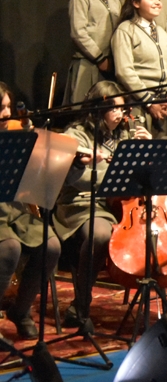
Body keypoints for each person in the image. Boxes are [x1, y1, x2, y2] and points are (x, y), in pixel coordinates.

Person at [56, 81, 167, 320]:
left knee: (161, 231)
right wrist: (122, 172)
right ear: (96, 109)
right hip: (85, 203)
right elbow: (79, 180)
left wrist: (148, 149)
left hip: (123, 202)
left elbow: (147, 174)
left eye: (123, 109)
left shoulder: (126, 131)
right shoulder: (76, 135)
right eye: (114, 109)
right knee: (100, 234)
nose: (121, 115)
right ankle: (81, 303)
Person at [0, 82, 61, 339]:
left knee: (51, 245)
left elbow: (37, 182)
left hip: (12, 206)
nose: (6, 114)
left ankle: (20, 310)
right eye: (0, 108)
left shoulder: (16, 136)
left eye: (7, 107)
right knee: (9, 247)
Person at [111, 0, 167, 137]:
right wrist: (149, 101)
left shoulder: (161, 32)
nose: (157, 3)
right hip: (139, 103)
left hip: (163, 105)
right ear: (136, 2)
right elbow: (124, 71)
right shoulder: (126, 30)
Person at [64, 0, 121, 105]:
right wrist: (99, 58)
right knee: (85, 109)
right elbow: (78, 32)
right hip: (88, 64)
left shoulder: (114, 0)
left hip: (111, 66)